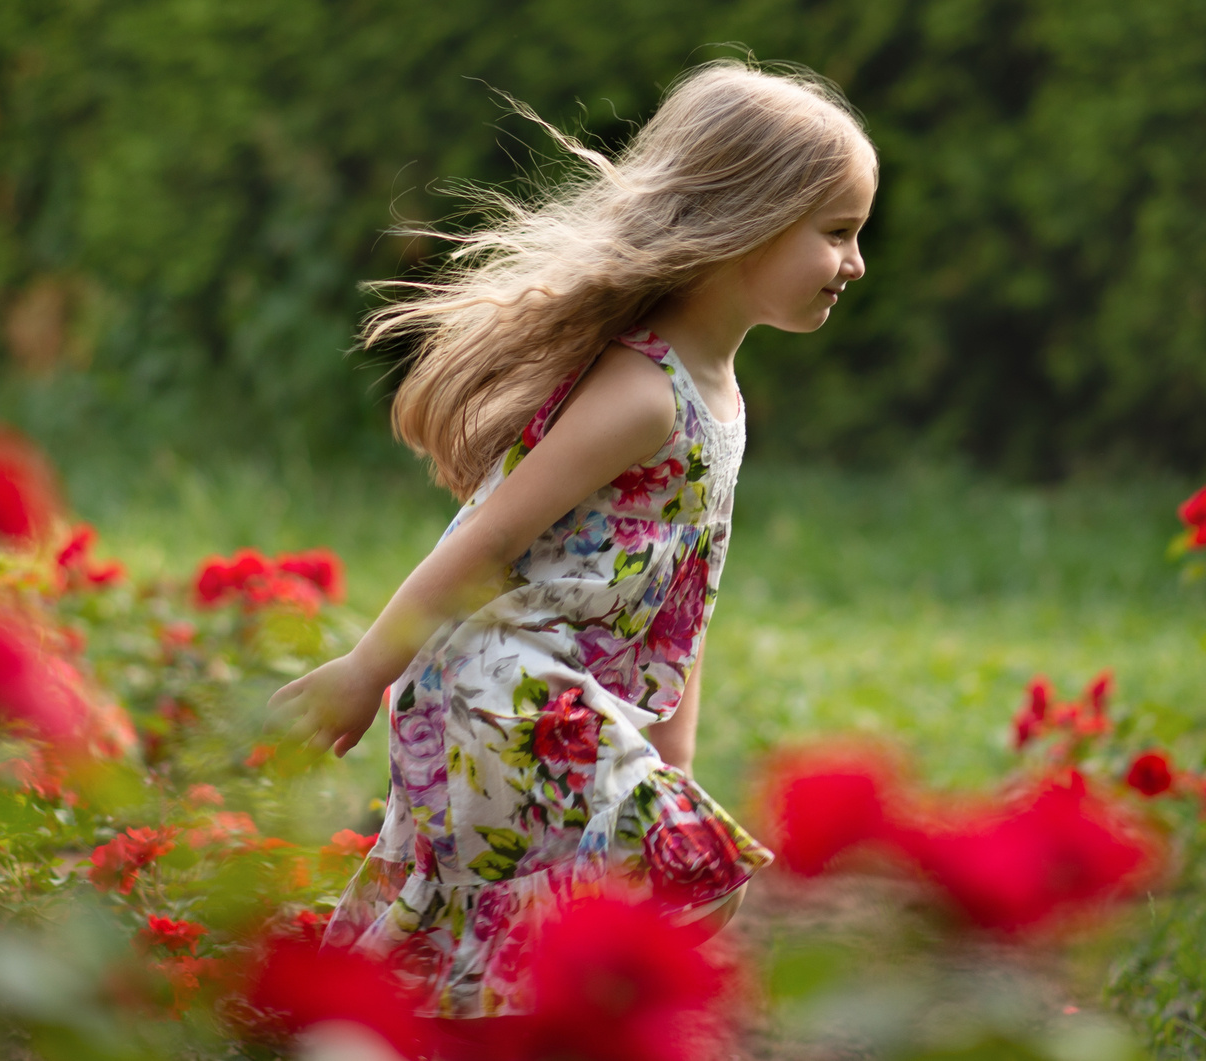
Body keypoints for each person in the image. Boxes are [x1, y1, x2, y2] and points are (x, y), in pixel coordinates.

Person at [271, 59, 879, 1019]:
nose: (855, 263)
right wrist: (363, 671)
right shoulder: (642, 395)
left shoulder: (715, 395)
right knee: (672, 884)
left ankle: (384, 1021)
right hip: (500, 685)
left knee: (548, 921)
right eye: (836, 233)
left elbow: (685, 594)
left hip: (557, 694)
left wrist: (672, 755)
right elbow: (482, 536)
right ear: (750, 222)